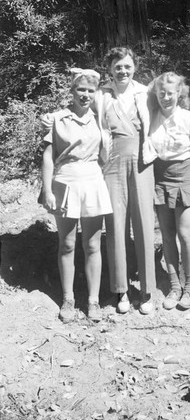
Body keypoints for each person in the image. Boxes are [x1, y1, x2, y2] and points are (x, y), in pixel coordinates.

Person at [41, 68, 113, 323]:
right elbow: (48, 156)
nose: (85, 95)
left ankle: (93, 301)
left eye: (90, 91)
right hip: (65, 182)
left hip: (92, 181)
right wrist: (47, 189)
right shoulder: (58, 119)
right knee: (67, 243)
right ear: (71, 92)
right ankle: (68, 298)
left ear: (96, 94)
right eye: (80, 89)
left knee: (93, 244)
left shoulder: (101, 119)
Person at [93, 47, 157, 315]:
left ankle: (147, 291)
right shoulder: (101, 96)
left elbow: (169, 112)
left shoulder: (144, 93)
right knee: (116, 224)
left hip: (141, 160)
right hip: (112, 161)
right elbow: (81, 114)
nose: (123, 71)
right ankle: (121, 291)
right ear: (109, 69)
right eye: (117, 67)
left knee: (143, 222)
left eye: (127, 66)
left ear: (134, 68)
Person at [148, 72, 190, 310]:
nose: (166, 97)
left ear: (179, 94)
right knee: (166, 234)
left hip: (184, 176)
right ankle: (174, 286)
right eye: (161, 93)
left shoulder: (188, 118)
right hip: (160, 178)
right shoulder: (152, 117)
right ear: (156, 94)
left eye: (171, 93)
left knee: (185, 234)